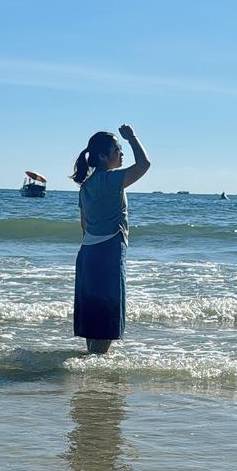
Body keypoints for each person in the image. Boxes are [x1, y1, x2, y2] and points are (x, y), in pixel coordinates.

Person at [70, 125, 150, 354]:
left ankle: (89, 377)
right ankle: (96, 382)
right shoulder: (110, 179)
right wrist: (133, 137)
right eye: (117, 149)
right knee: (106, 322)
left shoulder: (85, 186)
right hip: (108, 252)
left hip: (87, 255)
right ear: (103, 156)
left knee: (93, 321)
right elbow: (144, 165)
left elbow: (84, 226)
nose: (121, 153)